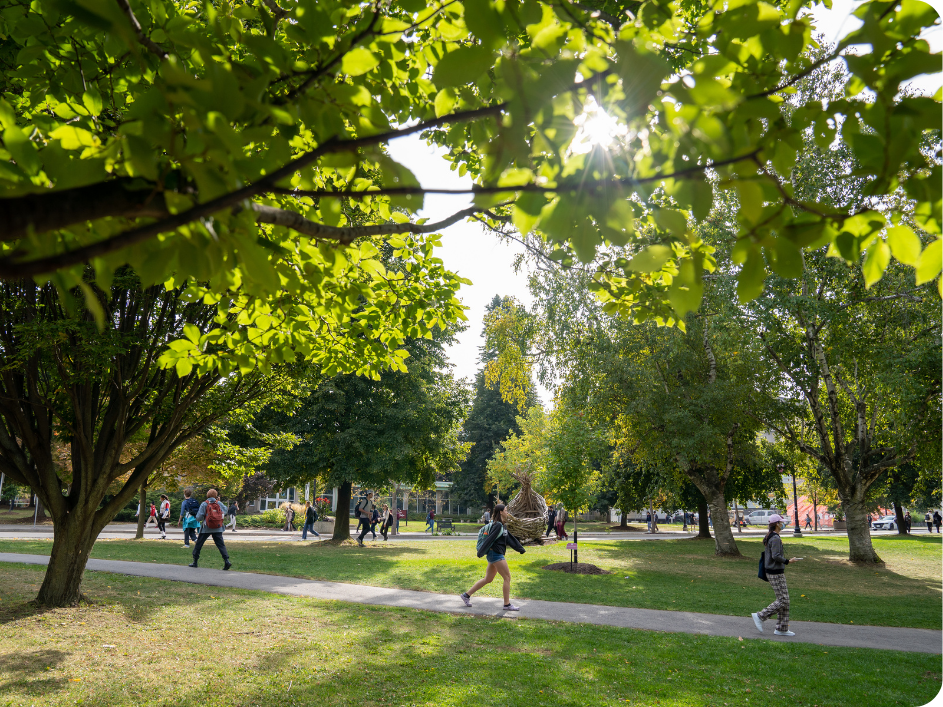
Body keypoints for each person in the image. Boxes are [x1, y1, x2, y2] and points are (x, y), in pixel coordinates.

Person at [460, 503, 526, 611]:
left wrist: (520, 549)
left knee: (488, 579)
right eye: (505, 510)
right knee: (507, 578)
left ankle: (466, 595)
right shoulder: (497, 525)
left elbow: (509, 538)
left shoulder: (501, 525)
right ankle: (507, 604)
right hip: (495, 554)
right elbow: (489, 539)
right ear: (500, 512)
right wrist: (480, 552)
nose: (507, 512)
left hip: (493, 554)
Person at [751, 514, 802, 637]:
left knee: (785, 600)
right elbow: (776, 556)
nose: (783, 524)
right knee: (783, 600)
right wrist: (788, 561)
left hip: (774, 571)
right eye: (781, 522)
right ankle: (760, 615)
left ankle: (782, 628)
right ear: (777, 524)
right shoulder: (775, 538)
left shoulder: (772, 536)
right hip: (775, 572)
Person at [188, 489, 231, 570]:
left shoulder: (204, 504)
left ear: (207, 495)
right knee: (221, 545)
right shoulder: (219, 503)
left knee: (199, 544)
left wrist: (196, 516)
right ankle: (226, 560)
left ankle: (195, 561)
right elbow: (225, 511)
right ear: (215, 495)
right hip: (218, 528)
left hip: (206, 527)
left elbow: (199, 517)